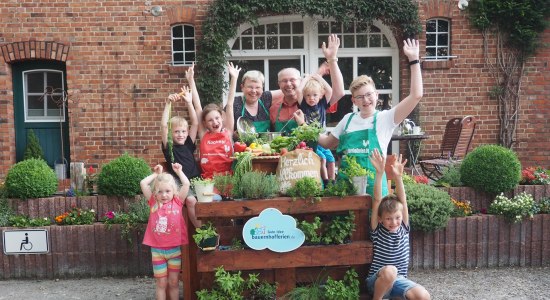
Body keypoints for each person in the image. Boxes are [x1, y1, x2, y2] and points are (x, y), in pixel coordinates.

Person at [318, 38, 423, 196]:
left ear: (376, 95)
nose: (366, 100)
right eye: (360, 97)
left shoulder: (386, 118)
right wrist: (307, 128)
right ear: (354, 100)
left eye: (369, 95)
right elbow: (326, 143)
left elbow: (416, 95)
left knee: (375, 220)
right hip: (346, 190)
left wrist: (414, 60)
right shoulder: (347, 120)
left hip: (375, 190)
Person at [367, 149, 430, 300]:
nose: (394, 222)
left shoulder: (404, 227)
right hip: (377, 282)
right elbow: (376, 200)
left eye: (397, 218)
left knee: (423, 296)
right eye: (389, 219)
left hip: (398, 281)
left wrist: (398, 177)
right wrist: (380, 173)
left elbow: (403, 201)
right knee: (390, 271)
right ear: (381, 219)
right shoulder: (378, 230)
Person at [270, 34, 345, 134]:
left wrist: (332, 59)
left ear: (301, 81)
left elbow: (339, 92)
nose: (288, 84)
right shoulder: (273, 107)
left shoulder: (316, 101)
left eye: (292, 80)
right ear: (278, 84)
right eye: (284, 81)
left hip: (312, 148)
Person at [140, 163, 190, 300]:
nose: (164, 195)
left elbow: (186, 184)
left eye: (167, 191)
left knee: (174, 282)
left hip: (174, 250)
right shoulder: (153, 202)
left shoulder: (178, 201)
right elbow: (143, 183)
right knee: (161, 283)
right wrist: (156, 175)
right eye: (160, 191)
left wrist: (179, 172)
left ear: (174, 191)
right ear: (155, 193)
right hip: (157, 251)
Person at [192, 62, 241, 179]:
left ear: (222, 118)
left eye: (217, 118)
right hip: (208, 180)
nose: (215, 122)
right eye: (210, 120)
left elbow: (229, 104)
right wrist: (190, 80)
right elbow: (198, 107)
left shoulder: (228, 132)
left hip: (227, 180)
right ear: (204, 123)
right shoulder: (204, 134)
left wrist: (234, 78)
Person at [161, 86, 201, 228]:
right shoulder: (169, 148)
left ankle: (213, 230)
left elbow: (195, 123)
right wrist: (168, 104)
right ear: (172, 134)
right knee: (190, 200)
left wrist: (189, 102)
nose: (181, 134)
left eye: (183, 131)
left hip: (198, 181)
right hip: (181, 183)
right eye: (177, 131)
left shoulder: (188, 144)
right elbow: (164, 126)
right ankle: (202, 232)